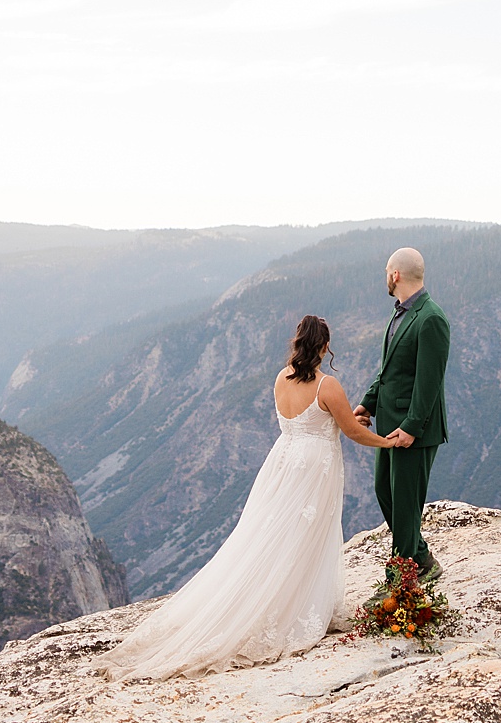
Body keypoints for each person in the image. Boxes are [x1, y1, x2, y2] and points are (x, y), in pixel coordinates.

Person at [104, 313, 399, 680]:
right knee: (307, 535)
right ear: (324, 346)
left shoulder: (281, 378)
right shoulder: (328, 387)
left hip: (283, 462)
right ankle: (295, 605)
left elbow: (325, 421)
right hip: (314, 467)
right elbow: (351, 432)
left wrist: (348, 421)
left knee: (269, 535)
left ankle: (275, 598)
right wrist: (387, 442)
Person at [354, 247, 448, 579]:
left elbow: (429, 382)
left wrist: (411, 427)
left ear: (396, 275)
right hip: (389, 427)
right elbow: (388, 372)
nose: (385, 276)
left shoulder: (431, 318)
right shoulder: (400, 314)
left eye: (386, 271)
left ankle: (401, 581)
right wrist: (367, 404)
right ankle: (421, 559)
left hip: (413, 432)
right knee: (386, 491)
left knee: (406, 505)